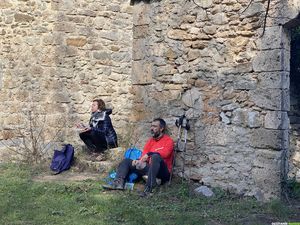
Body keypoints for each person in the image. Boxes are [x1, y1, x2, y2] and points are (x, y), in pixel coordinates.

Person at [103, 118, 174, 197]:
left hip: (163, 171)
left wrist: (150, 154)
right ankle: (118, 183)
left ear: (161, 128)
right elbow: (144, 156)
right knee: (127, 161)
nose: (151, 128)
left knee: (155, 156)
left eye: (154, 126)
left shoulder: (168, 141)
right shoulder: (151, 141)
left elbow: (166, 154)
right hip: (149, 169)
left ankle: (149, 189)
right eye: (151, 126)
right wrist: (138, 160)